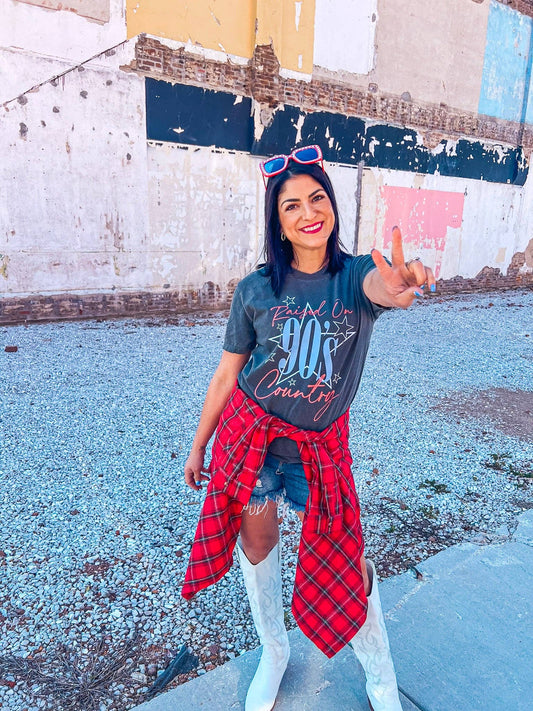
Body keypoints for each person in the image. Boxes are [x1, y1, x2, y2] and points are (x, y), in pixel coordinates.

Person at [182, 145, 435, 711]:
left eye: (317, 198)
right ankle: (274, 651)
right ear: (278, 221)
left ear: (332, 206)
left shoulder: (355, 276)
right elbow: (227, 375)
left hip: (319, 451)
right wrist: (200, 445)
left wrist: (400, 285)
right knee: (256, 541)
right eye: (291, 205)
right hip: (250, 443)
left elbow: (384, 287)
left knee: (347, 562)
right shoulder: (255, 289)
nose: (307, 212)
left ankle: (381, 679)